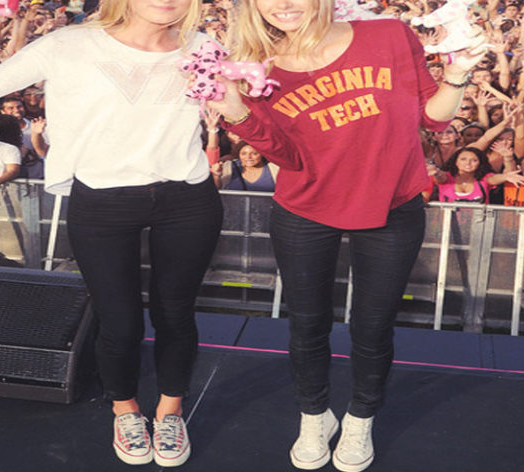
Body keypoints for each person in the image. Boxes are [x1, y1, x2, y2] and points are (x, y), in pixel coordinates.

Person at [0, 0, 222, 466]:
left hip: (187, 198)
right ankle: (125, 408)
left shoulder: (203, 46)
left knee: (176, 314)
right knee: (120, 321)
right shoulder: (67, 44)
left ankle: (170, 411)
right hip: (103, 201)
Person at [207, 3, 487, 471]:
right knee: (306, 324)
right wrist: (237, 113)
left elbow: (434, 119)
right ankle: (314, 415)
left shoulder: (389, 35)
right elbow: (286, 156)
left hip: (392, 206)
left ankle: (360, 418)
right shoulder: (255, 65)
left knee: (373, 329)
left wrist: (458, 73)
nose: (284, 4)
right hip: (304, 209)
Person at [430, 146, 524, 203]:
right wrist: (436, 172)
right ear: (456, 162)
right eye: (463, 159)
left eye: (474, 160)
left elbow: (493, 179)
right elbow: (439, 177)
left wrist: (506, 176)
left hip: (477, 225)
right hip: (447, 224)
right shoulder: (447, 177)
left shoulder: (483, 179)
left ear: (479, 163)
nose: (468, 163)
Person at [212, 140, 278, 191]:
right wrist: (217, 175)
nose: (248, 157)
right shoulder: (230, 166)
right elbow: (217, 189)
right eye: (243, 154)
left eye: (254, 153)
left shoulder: (274, 168)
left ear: (262, 154)